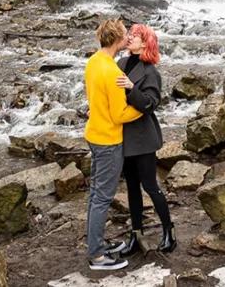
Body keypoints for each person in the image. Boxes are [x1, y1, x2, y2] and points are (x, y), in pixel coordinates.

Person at [84, 18, 144, 271]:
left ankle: (95, 243)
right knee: (102, 198)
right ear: (117, 41)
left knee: (95, 194)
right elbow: (120, 115)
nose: (127, 38)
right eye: (124, 35)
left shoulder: (94, 61)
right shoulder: (113, 71)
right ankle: (97, 256)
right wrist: (143, 111)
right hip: (109, 139)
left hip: (94, 133)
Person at [115, 24, 177, 255]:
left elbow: (151, 104)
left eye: (135, 36)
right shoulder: (120, 64)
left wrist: (131, 88)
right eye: (130, 35)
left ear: (145, 42)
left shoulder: (151, 72)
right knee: (131, 188)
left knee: (150, 186)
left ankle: (169, 232)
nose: (129, 38)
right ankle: (136, 236)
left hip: (143, 138)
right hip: (124, 136)